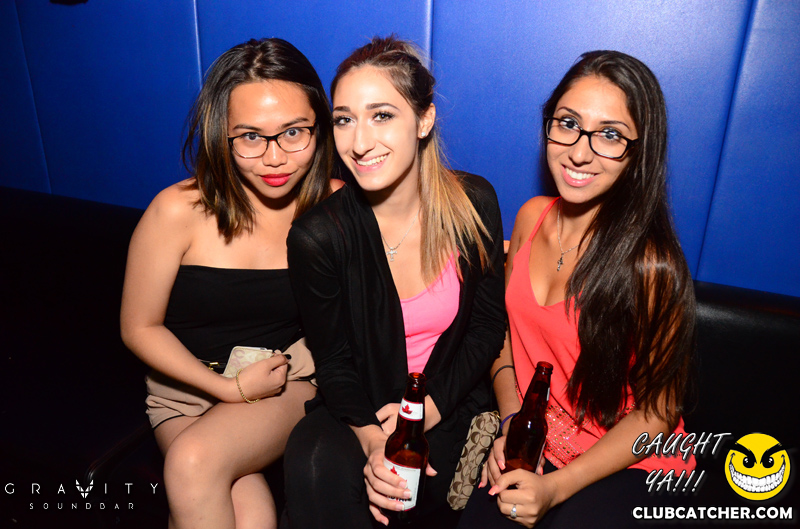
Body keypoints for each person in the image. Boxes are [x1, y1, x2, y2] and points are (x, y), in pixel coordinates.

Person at [458, 51, 697, 529]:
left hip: (630, 461)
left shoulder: (652, 267)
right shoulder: (530, 217)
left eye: (610, 134)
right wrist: (513, 424)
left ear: (638, 151)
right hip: (535, 445)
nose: (579, 152)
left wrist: (557, 487)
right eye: (568, 123)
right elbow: (503, 337)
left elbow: (659, 410)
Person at [282, 36, 506, 528]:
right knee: (313, 463)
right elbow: (334, 361)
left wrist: (429, 409)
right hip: (359, 405)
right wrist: (371, 440)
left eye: (381, 115)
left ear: (424, 120)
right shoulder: (318, 236)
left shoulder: (474, 204)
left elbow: (488, 327)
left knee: (420, 496)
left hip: (447, 397)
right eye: (344, 119)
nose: (359, 143)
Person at [120, 38, 340, 529]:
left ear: (320, 127)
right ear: (222, 136)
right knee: (253, 515)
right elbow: (139, 327)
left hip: (284, 382)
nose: (274, 158)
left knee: (192, 462)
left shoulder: (337, 206)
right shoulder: (176, 211)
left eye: (293, 133)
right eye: (250, 137)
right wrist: (226, 388)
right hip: (187, 393)